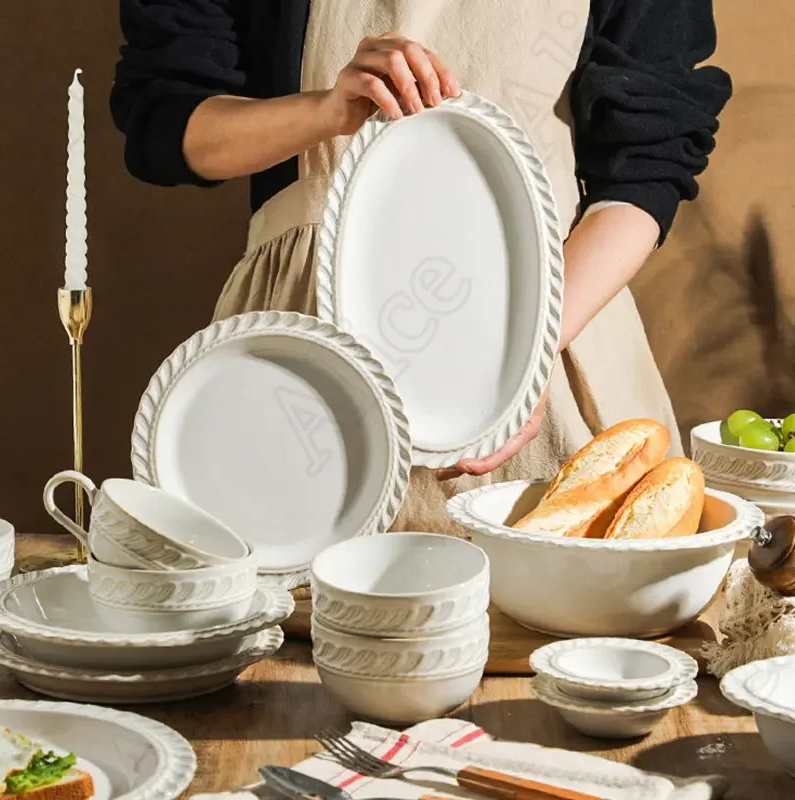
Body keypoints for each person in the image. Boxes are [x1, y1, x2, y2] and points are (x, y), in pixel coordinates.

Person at [110, 0, 732, 534]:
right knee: (277, 635)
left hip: (554, 324)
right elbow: (168, 121)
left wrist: (526, 352)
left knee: (574, 631)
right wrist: (327, 111)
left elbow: (647, 167)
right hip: (304, 345)